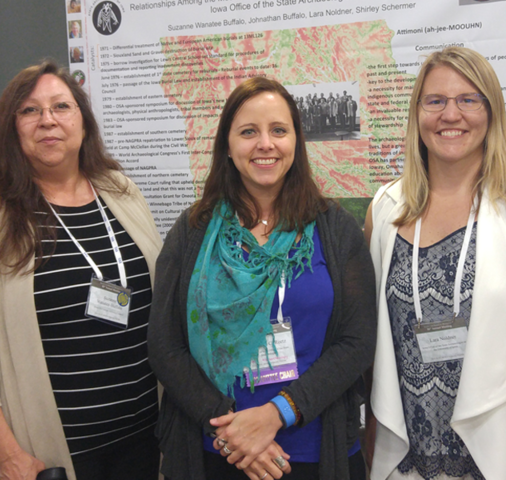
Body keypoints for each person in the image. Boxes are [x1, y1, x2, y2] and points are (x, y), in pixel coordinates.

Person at [0, 61, 163, 480]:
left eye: (61, 107)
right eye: (30, 111)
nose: (48, 120)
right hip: (48, 452)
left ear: (83, 122)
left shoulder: (120, 192)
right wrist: (7, 454)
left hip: (144, 436)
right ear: (11, 127)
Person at [365, 47, 506, 480]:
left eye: (468, 99)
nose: (451, 114)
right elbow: (377, 347)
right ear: (417, 113)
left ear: (491, 112)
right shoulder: (385, 209)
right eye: (436, 101)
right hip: (408, 458)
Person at [149, 77, 376, 480]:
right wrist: (233, 431)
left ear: (296, 141)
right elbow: (165, 345)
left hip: (315, 453)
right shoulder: (192, 231)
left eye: (278, 130)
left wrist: (276, 414)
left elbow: (357, 342)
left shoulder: (335, 229)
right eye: (249, 132)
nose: (265, 144)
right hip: (216, 451)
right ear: (228, 146)